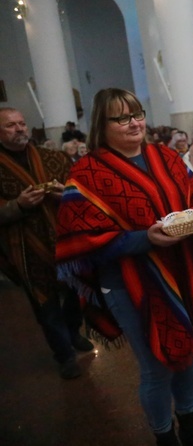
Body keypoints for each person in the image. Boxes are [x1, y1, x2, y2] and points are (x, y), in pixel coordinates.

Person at [55, 89, 193, 446]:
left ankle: (192, 425)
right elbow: (83, 240)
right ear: (100, 125)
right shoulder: (87, 172)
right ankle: (164, 437)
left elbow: (192, 199)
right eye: (121, 117)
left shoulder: (165, 157)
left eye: (137, 113)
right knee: (156, 366)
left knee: (185, 351)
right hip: (127, 282)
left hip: (179, 271)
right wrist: (144, 239)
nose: (134, 122)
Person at [0, 107, 91, 380]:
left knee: (76, 293)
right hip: (27, 248)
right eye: (10, 125)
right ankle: (63, 354)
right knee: (46, 304)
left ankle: (73, 332)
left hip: (64, 239)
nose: (19, 129)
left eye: (22, 123)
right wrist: (17, 205)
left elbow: (81, 187)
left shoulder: (52, 157)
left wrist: (69, 193)